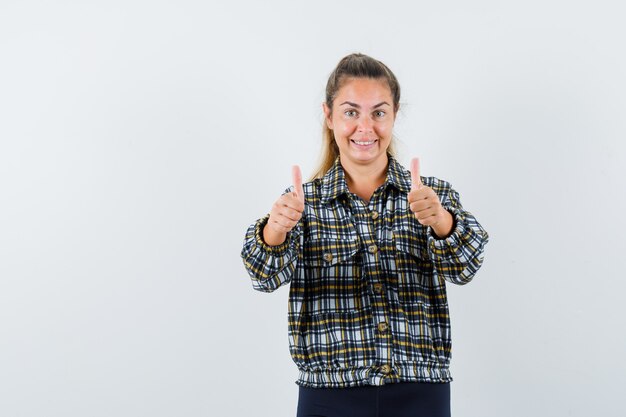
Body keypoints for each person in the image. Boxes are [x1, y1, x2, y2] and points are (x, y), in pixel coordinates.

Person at [240, 53, 489, 417]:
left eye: (379, 112)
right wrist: (274, 230)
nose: (365, 127)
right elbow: (262, 276)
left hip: (421, 390)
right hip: (329, 394)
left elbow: (466, 268)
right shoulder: (301, 204)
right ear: (329, 116)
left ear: (394, 115)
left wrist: (442, 222)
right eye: (351, 112)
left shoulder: (431, 195)